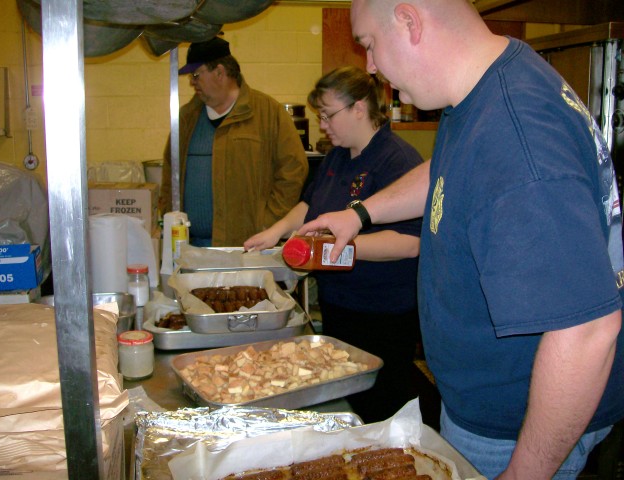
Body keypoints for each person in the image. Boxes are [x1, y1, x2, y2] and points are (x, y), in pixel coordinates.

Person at [298, 1, 624, 478]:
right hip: (486, 403)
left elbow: (588, 330)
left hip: (517, 425)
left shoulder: (518, 137)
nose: (370, 66)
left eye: (369, 44)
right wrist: (359, 214)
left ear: (409, 21)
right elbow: (448, 168)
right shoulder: (485, 90)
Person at [244, 66, 430, 423]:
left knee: (379, 404)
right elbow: (309, 206)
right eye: (320, 116)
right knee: (346, 401)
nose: (323, 124)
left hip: (382, 313)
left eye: (328, 115)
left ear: (359, 108)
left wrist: (342, 246)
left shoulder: (398, 160)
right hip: (339, 305)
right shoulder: (337, 156)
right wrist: (277, 230)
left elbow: (410, 243)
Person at [160, 36, 308, 247]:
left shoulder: (268, 113)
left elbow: (293, 171)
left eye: (196, 75)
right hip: (189, 248)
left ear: (220, 72)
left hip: (247, 248)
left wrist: (268, 222)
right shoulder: (185, 118)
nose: (192, 82)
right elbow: (169, 174)